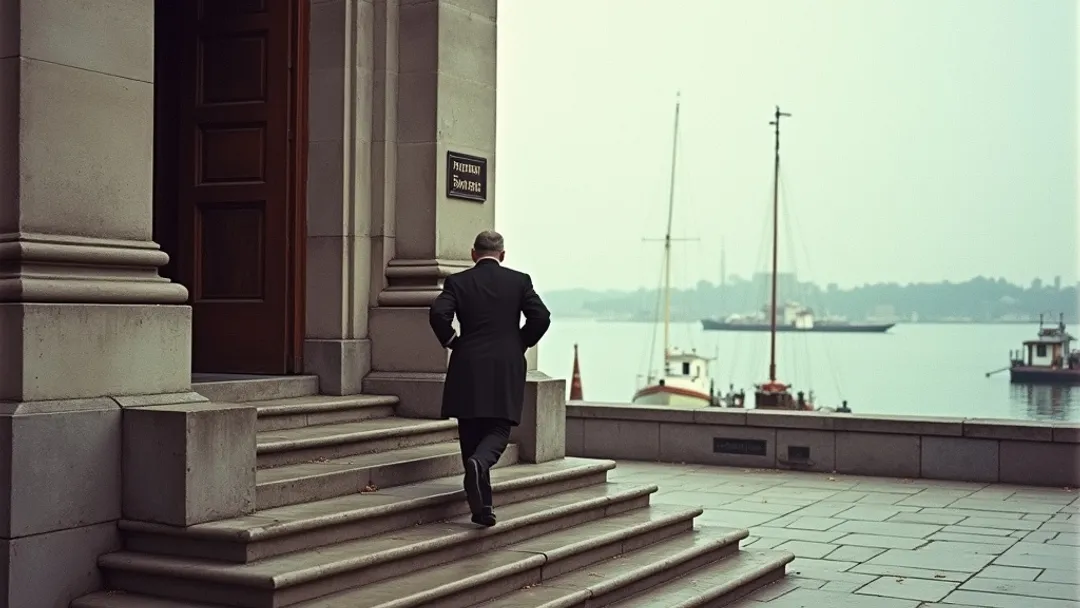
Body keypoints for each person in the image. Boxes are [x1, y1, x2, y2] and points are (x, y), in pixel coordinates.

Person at [428, 230, 551, 527]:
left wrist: (453, 340)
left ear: (473, 253)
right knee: (499, 426)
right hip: (504, 366)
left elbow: (437, 313)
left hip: (467, 363)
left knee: (470, 431)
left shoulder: (458, 282)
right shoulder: (519, 280)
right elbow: (541, 317)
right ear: (503, 255)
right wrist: (519, 342)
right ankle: (481, 468)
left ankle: (483, 509)